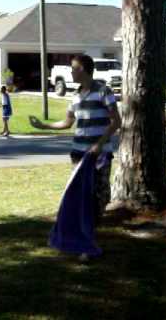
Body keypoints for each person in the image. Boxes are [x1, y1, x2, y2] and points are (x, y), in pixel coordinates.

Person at [30, 55, 121, 259]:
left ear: (85, 70)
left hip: (99, 155)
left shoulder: (103, 91)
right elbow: (67, 122)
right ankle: (84, 241)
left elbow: (116, 122)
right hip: (78, 154)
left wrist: (99, 144)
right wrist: (43, 126)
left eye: (74, 68)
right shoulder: (75, 94)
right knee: (80, 197)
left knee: (100, 196)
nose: (71, 72)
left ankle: (88, 235)